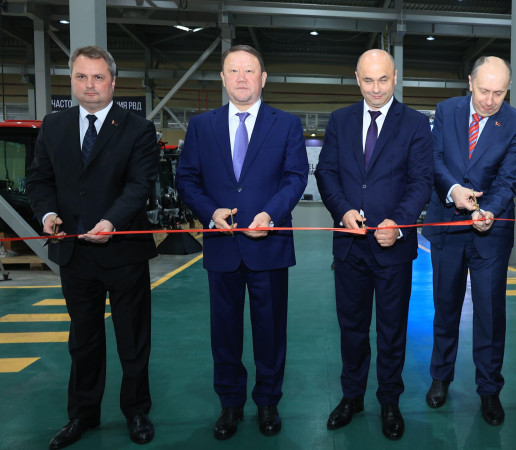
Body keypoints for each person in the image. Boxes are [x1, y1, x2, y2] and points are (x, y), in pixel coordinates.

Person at [27, 46, 159, 448]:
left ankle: (136, 411)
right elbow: (39, 180)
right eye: (81, 77)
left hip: (123, 252)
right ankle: (82, 414)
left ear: (112, 82)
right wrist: (48, 214)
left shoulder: (137, 128)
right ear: (71, 81)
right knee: (83, 339)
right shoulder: (54, 126)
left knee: (132, 339)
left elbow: (139, 185)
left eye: (98, 77)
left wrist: (112, 221)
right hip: (75, 254)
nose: (90, 85)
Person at [175, 45, 308, 440]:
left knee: (270, 330)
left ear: (263, 78)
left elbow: (296, 176)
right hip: (222, 246)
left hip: (269, 244)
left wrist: (271, 214)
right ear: (222, 78)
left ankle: (268, 401)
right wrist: (210, 212)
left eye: (249, 70)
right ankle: (230, 404)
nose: (242, 78)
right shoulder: (202, 126)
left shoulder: (286, 124)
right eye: (233, 70)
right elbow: (186, 179)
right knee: (225, 332)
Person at [315, 49, 433, 441]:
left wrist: (398, 223)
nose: (376, 88)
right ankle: (352, 397)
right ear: (356, 78)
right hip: (350, 246)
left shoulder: (415, 123)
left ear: (395, 77)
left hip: (392, 246)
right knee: (351, 328)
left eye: (383, 79)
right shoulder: (340, 120)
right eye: (368, 80)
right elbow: (326, 172)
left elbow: (421, 180)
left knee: (391, 329)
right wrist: (342, 210)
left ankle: (389, 401)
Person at [421, 56, 516, 426]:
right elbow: (434, 159)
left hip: (489, 231)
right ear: (470, 82)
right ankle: (441, 377)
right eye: (484, 90)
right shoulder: (446, 110)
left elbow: (508, 179)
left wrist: (490, 211)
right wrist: (454, 190)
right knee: (445, 306)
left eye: (499, 93)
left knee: (490, 314)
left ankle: (489, 389)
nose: (489, 100)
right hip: (447, 226)